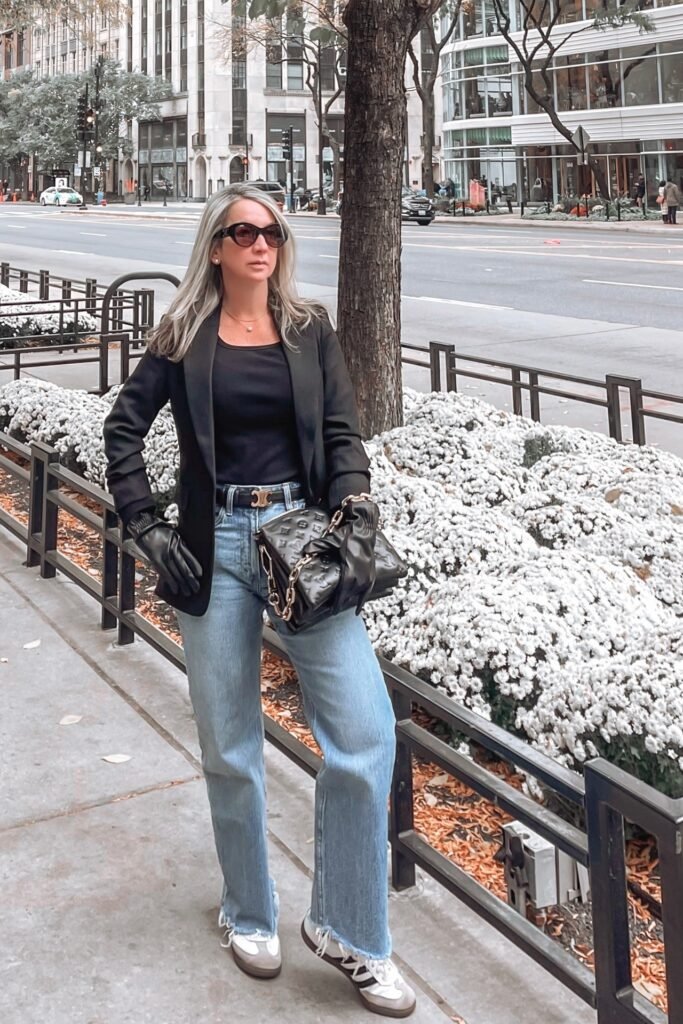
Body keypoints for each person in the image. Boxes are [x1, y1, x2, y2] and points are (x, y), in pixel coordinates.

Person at [102, 183, 416, 1019]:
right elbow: (122, 431)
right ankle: (248, 911)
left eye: (270, 231)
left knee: (364, 733)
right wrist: (148, 528)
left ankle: (351, 930)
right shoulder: (180, 336)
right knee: (230, 745)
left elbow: (343, 433)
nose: (259, 244)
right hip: (213, 552)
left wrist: (354, 504)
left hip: (301, 541)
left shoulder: (310, 330)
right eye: (241, 231)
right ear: (214, 246)